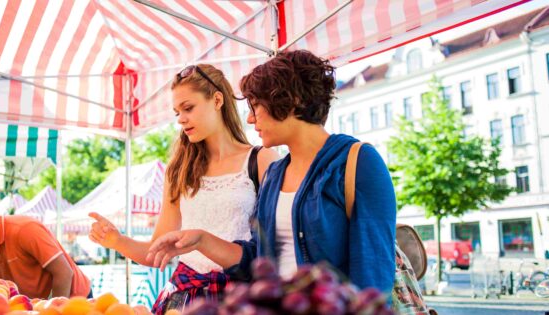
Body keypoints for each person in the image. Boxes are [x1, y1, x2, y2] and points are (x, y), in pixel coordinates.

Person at [147, 50, 397, 296]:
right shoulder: (276, 173)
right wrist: (201, 240)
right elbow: (257, 259)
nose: (251, 119)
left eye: (256, 106)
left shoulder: (358, 161)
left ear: (290, 101)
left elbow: (373, 274)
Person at [88, 64, 278, 313]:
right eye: (177, 112)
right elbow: (155, 254)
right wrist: (117, 240)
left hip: (240, 299)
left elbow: (273, 250)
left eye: (188, 108)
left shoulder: (262, 160)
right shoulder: (179, 169)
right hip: (182, 299)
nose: (180, 119)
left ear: (217, 100)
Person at [0, 200, 91, 299]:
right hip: (36, 307)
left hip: (75, 298)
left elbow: (64, 273)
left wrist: (53, 311)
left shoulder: (24, 229)